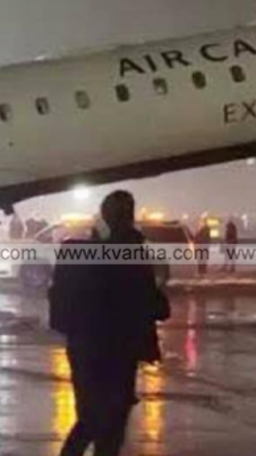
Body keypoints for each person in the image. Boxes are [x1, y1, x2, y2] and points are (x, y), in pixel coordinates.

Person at [49, 190, 170, 456]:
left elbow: (59, 311)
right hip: (120, 351)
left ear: (103, 216)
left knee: (90, 419)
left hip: (85, 349)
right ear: (130, 216)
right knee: (112, 424)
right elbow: (157, 307)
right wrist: (159, 285)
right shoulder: (133, 256)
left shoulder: (77, 255)